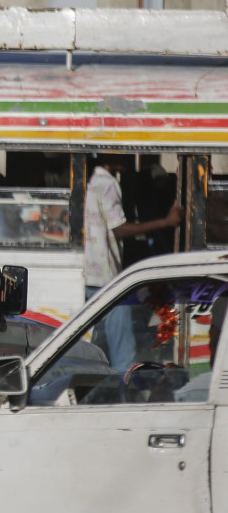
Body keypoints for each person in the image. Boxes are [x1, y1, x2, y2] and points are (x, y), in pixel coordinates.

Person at [84, 154, 182, 371]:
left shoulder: (93, 181)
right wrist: (165, 222)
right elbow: (119, 228)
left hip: (93, 276)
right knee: (123, 353)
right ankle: (125, 389)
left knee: (98, 349)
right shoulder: (107, 183)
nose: (129, 155)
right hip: (106, 279)